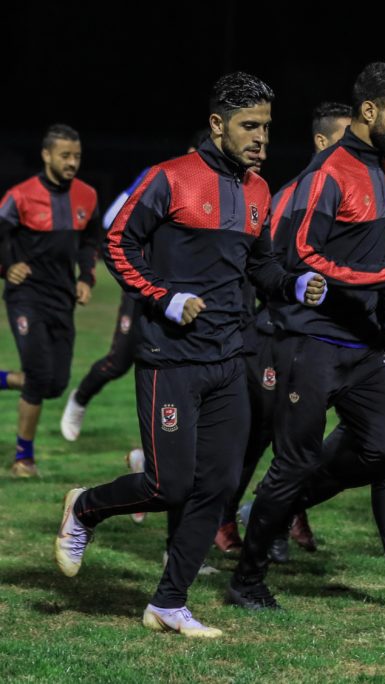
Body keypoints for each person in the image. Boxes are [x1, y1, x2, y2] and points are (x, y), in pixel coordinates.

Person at [54, 72, 326, 637]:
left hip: (230, 358)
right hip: (169, 357)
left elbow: (259, 265)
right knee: (166, 485)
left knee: (219, 484)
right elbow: (116, 241)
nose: (260, 139)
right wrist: (163, 296)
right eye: (249, 126)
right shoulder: (170, 179)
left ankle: (169, 602)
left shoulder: (257, 189)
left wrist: (293, 285)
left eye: (267, 128)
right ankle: (85, 508)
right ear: (217, 124)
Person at [228, 63, 385, 615]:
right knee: (295, 462)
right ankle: (247, 578)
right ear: (368, 112)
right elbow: (304, 256)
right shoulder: (330, 173)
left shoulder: (383, 169)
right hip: (311, 343)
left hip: (361, 343)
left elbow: (368, 254)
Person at [216, 102, 353, 559]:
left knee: (298, 434)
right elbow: (270, 268)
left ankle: (286, 511)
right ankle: (226, 517)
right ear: (322, 140)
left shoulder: (351, 191)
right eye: (346, 137)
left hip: (316, 336)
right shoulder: (294, 193)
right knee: (258, 434)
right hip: (274, 334)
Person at [60, 130, 209, 444]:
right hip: (148, 285)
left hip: (193, 293)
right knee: (119, 360)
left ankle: (159, 453)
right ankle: (80, 398)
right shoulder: (161, 178)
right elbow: (113, 218)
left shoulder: (227, 189)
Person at [1, 124, 101, 477]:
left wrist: (86, 278)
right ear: (46, 155)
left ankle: (3, 378)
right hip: (26, 296)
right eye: (65, 156)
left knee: (54, 383)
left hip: (62, 299)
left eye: (76, 156)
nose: (72, 162)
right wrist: (7, 267)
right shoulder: (20, 196)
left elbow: (90, 241)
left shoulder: (87, 195)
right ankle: (23, 459)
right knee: (40, 373)